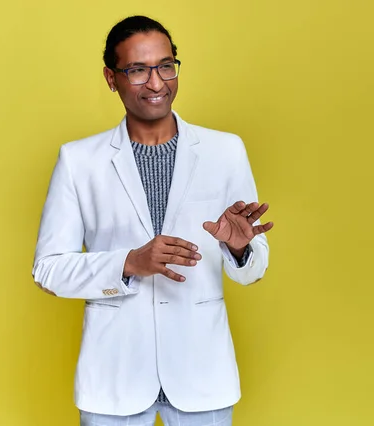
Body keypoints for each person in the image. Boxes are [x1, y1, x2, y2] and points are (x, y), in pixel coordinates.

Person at [32, 15, 273, 426]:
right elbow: (48, 270)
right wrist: (127, 263)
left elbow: (253, 272)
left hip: (202, 372)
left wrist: (239, 248)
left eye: (165, 65)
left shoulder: (225, 151)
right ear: (111, 77)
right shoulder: (78, 161)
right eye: (138, 70)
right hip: (114, 375)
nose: (157, 83)